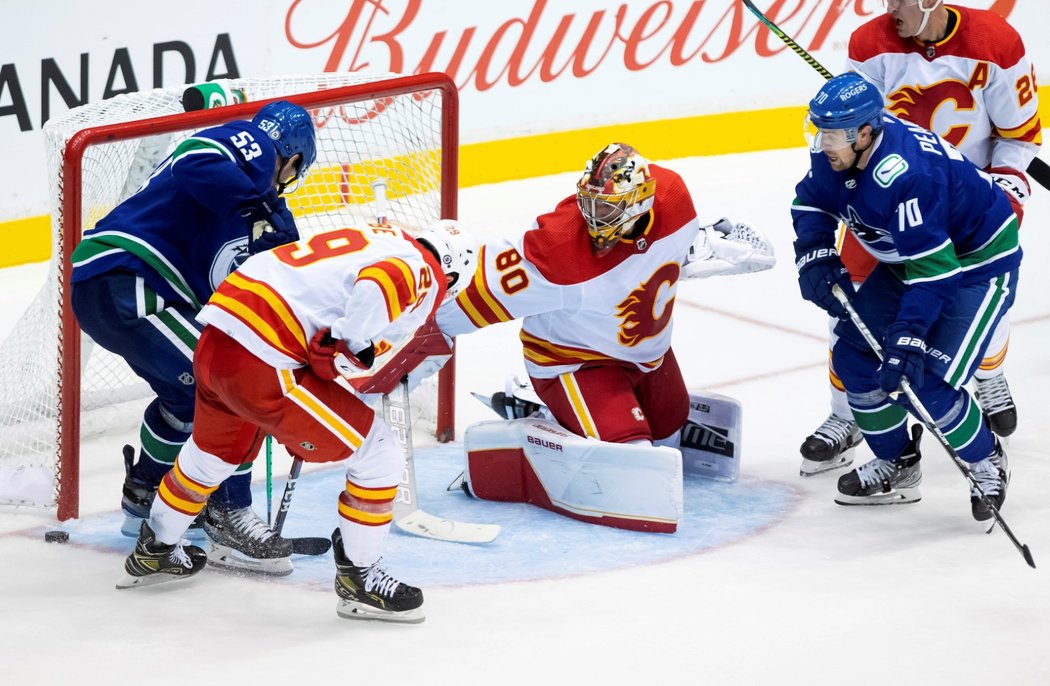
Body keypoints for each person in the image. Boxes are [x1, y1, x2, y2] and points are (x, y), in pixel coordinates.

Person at [117, 219, 478, 624]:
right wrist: (348, 342)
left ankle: (157, 549)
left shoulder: (380, 237)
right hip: (263, 359)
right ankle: (361, 581)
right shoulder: (419, 266)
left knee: (211, 456)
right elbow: (381, 283)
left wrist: (338, 347)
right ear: (449, 271)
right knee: (378, 453)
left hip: (218, 340)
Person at [70, 100, 316, 573]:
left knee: (184, 397)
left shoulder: (237, 222)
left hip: (122, 289)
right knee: (232, 387)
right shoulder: (254, 145)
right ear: (291, 157)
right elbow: (195, 160)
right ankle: (229, 513)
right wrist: (260, 203)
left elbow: (231, 306)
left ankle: (145, 494)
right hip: (128, 278)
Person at [798, 0, 1041, 475]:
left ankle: (987, 375)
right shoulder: (870, 43)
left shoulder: (996, 43)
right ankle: (849, 415)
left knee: (973, 305)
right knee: (846, 303)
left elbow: (1019, 136)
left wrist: (1005, 191)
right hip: (887, 201)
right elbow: (857, 130)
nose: (890, 8)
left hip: (965, 200)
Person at [437, 142, 773, 449]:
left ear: (640, 203)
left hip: (647, 357)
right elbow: (482, 287)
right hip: (575, 362)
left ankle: (569, 415)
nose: (595, 218)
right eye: (591, 204)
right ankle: (547, 418)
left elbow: (675, 250)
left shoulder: (674, 198)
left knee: (670, 433)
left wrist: (707, 247)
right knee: (636, 456)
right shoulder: (562, 249)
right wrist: (431, 322)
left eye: (609, 209)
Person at [792, 73, 1018, 519]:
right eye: (818, 130)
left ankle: (986, 459)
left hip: (977, 264)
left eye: (831, 134)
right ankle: (898, 462)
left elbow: (936, 273)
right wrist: (814, 252)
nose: (821, 143)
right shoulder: (836, 154)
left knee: (923, 378)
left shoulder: (907, 172)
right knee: (855, 360)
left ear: (864, 133)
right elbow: (810, 202)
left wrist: (909, 335)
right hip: (913, 259)